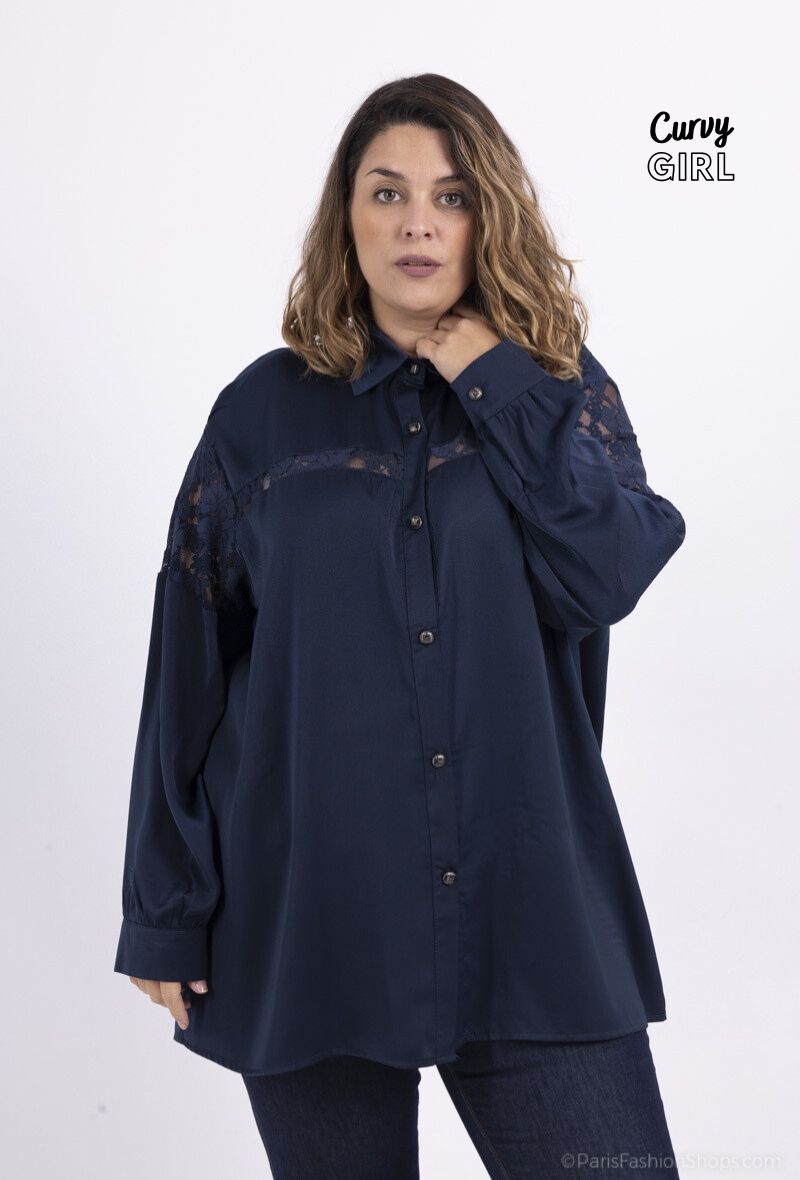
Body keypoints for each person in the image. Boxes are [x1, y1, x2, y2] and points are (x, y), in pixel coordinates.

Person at [113, 73, 686, 1178]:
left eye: (450, 195)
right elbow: (187, 669)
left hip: (528, 910)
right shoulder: (259, 414)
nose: (418, 222)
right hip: (309, 914)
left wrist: (490, 374)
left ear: (488, 217)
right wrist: (162, 913)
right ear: (348, 218)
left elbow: (609, 572)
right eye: (387, 193)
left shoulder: (556, 393)